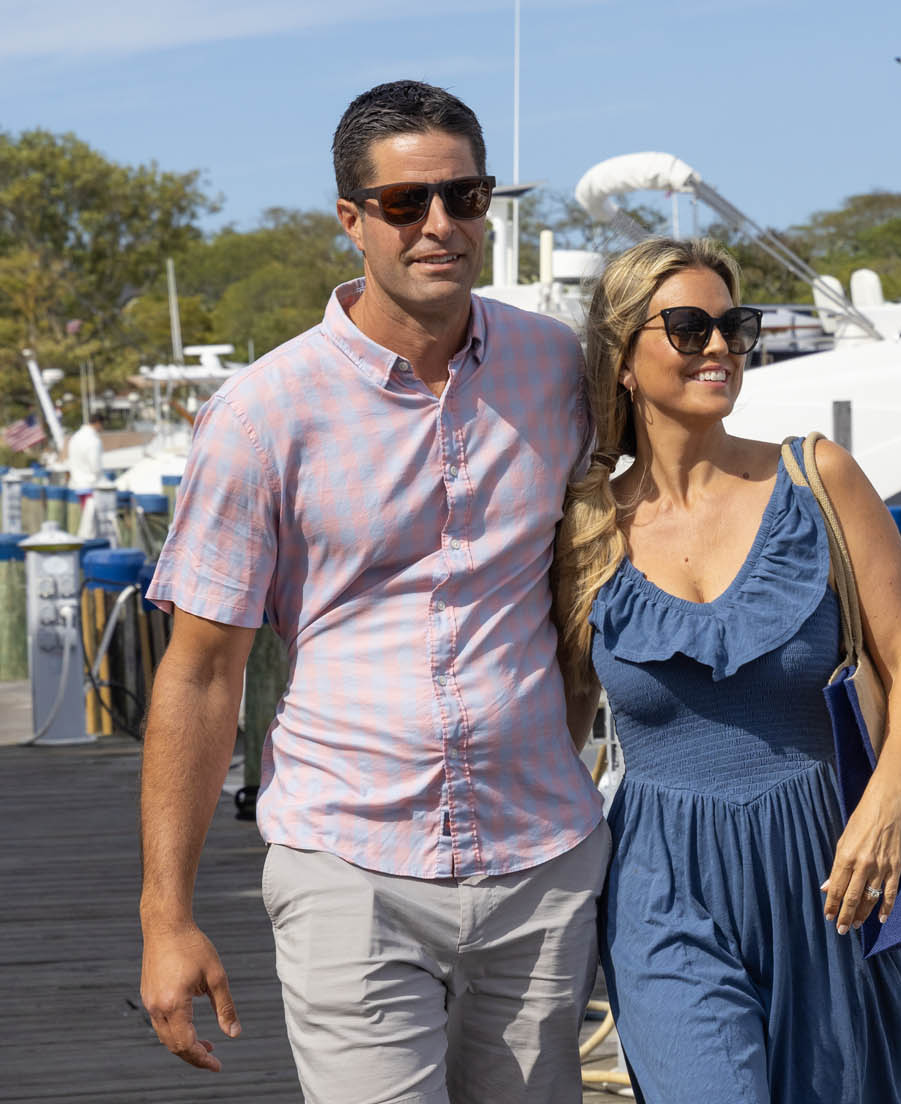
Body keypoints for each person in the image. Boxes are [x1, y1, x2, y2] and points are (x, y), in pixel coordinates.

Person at [139, 80, 605, 1104]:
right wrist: (165, 915)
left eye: (464, 197)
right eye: (405, 204)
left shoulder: (555, 367)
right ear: (352, 220)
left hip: (542, 859)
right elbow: (204, 673)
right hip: (349, 863)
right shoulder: (262, 413)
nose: (439, 226)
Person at [553, 237, 901, 1103]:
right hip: (662, 883)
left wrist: (887, 802)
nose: (720, 347)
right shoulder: (584, 527)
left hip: (830, 867)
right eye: (690, 328)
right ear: (623, 357)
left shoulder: (818, 479)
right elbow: (565, 725)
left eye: (736, 326)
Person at [66, 411, 103, 508]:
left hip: (76, 486)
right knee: (91, 520)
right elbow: (95, 466)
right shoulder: (93, 440)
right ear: (98, 423)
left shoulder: (75, 437)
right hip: (90, 487)